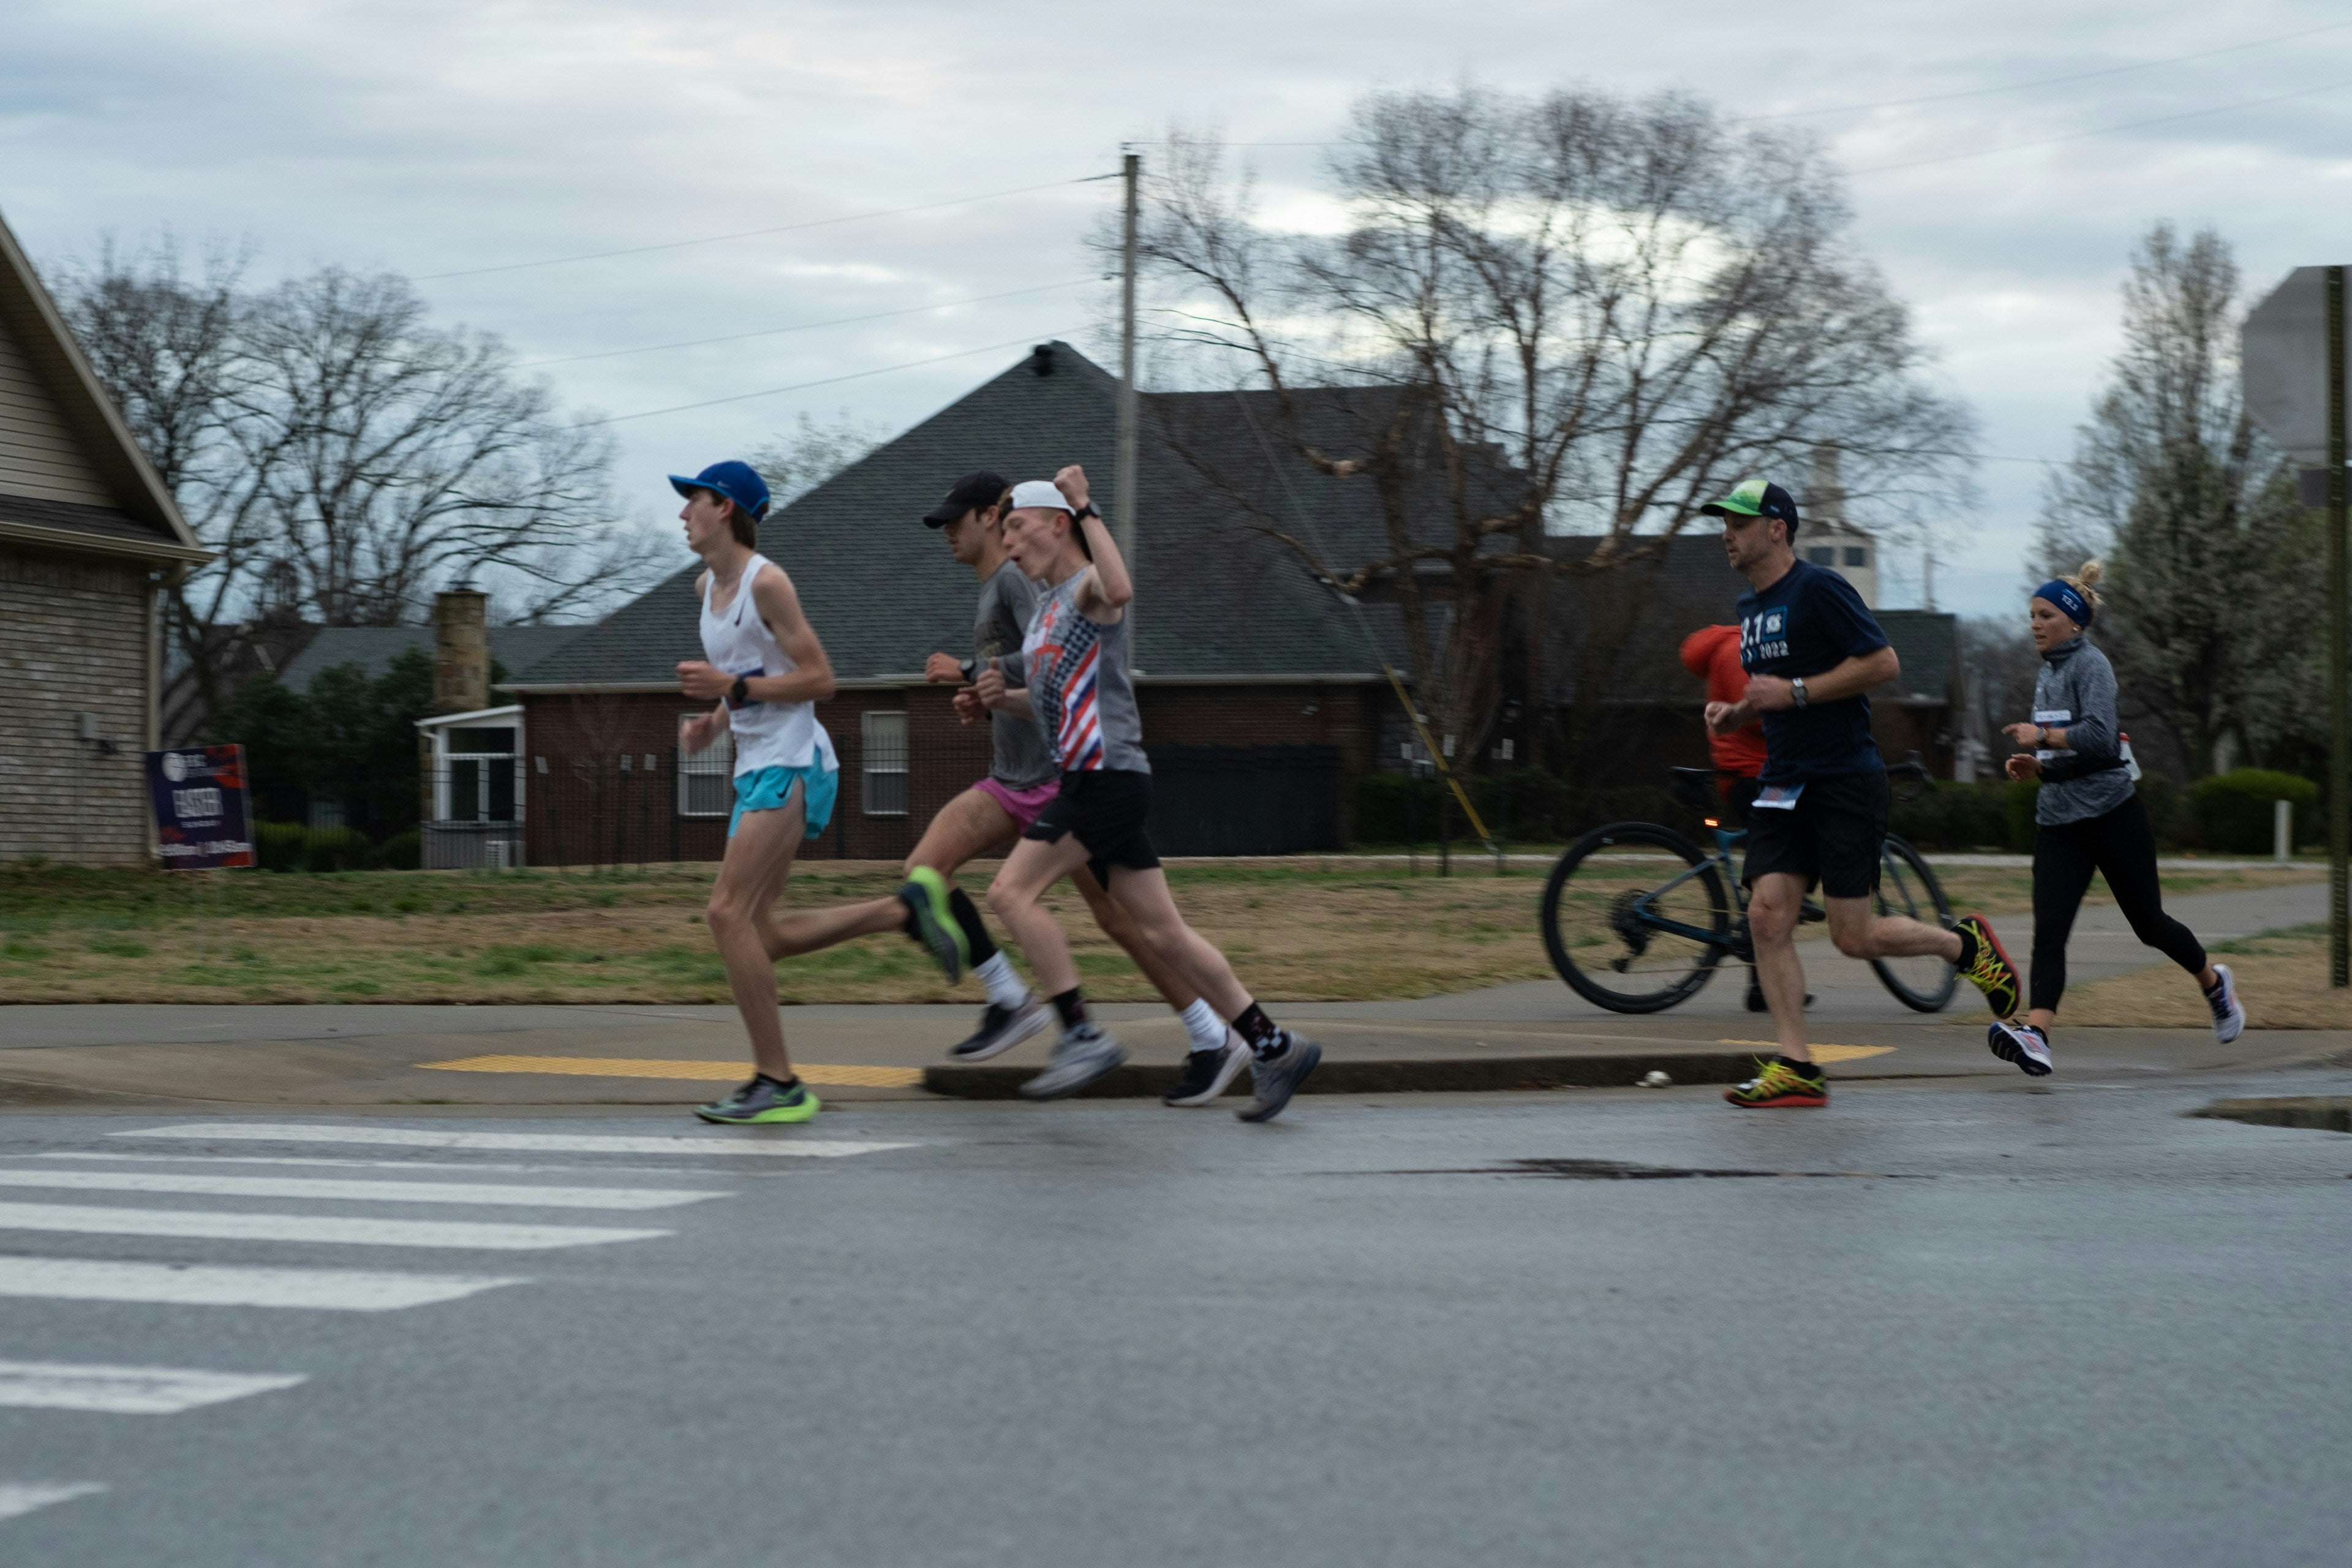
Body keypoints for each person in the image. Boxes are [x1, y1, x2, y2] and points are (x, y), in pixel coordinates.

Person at [685, 471, 1253, 1104]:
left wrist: (970, 670)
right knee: (927, 869)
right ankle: (1010, 996)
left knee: (1121, 919)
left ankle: (1209, 1035)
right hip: (1012, 777)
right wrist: (986, 698)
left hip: (1057, 777)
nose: (948, 534)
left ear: (992, 518)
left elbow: (1059, 652)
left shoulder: (1017, 578)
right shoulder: (994, 585)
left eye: (958, 522)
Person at [975, 467, 1322, 1120]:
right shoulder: (1045, 612)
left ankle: (1081, 1035)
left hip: (1103, 779)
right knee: (1163, 934)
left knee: (1010, 893)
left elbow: (1121, 588)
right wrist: (1002, 698)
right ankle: (1273, 1046)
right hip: (1101, 781)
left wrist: (1087, 504)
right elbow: (1054, 707)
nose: (1008, 542)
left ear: (1058, 525)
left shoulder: (1086, 590)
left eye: (1017, 527)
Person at [1699, 478, 2024, 1109]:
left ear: (1777, 529)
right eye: (1724, 524)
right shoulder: (1750, 607)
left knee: (1853, 936)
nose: (1726, 535)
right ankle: (1797, 1066)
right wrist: (1738, 712)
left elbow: (1882, 663)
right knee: (1766, 917)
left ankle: (1964, 946)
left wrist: (1793, 693)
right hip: (1783, 782)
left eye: (1739, 524)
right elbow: (1776, 689)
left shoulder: (1819, 588)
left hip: (1844, 779)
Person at [1988, 564, 2244, 1073]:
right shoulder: (2047, 674)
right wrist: (2039, 766)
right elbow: (2069, 751)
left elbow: (2101, 738)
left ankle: (2215, 985)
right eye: (2032, 615)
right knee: (2050, 932)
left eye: (2046, 615)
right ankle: (2037, 1035)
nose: (2035, 624)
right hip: (2058, 822)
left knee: (2150, 925)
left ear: (2075, 622)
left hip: (2112, 817)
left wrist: (2042, 737)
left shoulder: (2093, 666)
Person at [671, 460, 842, 1125]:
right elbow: (745, 675)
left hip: (793, 760)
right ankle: (904, 910)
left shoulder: (767, 583)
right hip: (754, 766)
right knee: (757, 927)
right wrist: (714, 723)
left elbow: (821, 680)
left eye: (693, 501)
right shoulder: (705, 589)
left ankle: (780, 1081)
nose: (683, 514)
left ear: (726, 508)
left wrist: (731, 689)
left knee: (726, 914)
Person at [1680, 624, 1808, 1013]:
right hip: (1756, 776)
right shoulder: (1738, 648)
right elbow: (1755, 715)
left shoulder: (1737, 645)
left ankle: (1764, 981)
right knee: (1780, 866)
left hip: (1754, 773)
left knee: (1774, 870)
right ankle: (1765, 981)